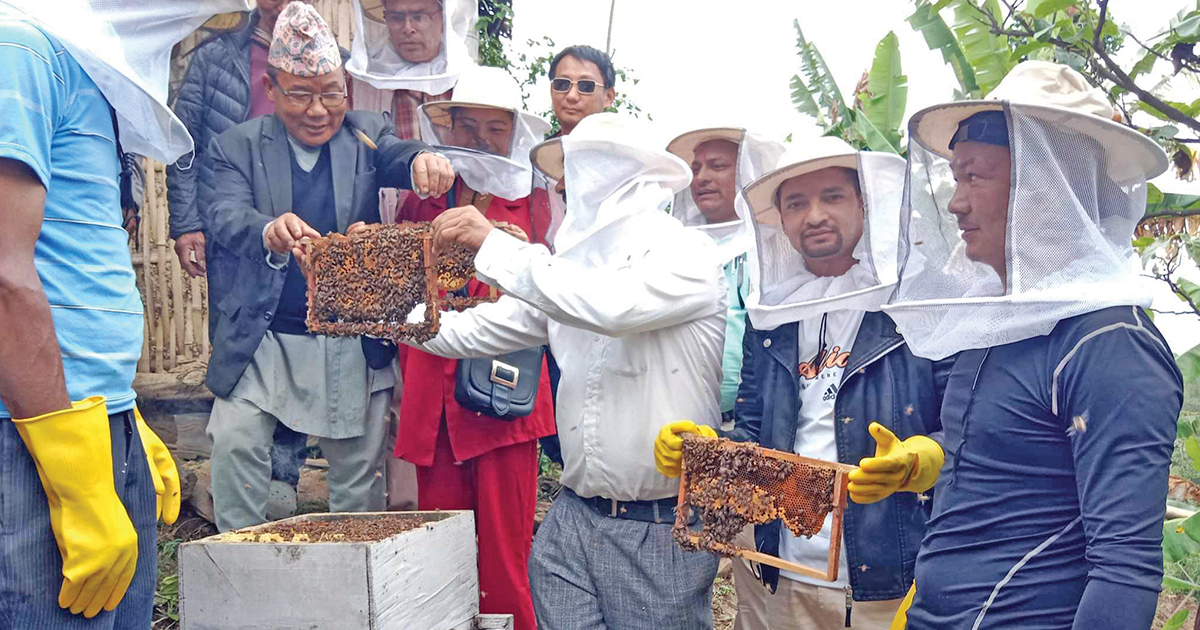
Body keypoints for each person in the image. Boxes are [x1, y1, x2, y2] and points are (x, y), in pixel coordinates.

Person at [884, 61, 1184, 629]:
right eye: (955, 176)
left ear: (1044, 187)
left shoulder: (1109, 344)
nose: (955, 202)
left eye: (974, 176)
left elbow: (1124, 569)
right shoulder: (1000, 320)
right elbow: (1003, 454)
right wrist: (925, 458)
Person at [407, 113, 727, 629]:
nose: (560, 186)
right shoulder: (568, 272)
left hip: (661, 524)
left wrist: (494, 245)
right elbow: (472, 332)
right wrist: (374, 310)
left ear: (615, 173)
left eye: (574, 171)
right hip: (573, 517)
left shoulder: (686, 253)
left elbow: (611, 307)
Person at [0, 0, 244, 626]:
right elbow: (3, 274)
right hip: (32, 437)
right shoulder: (21, 45)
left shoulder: (81, 66)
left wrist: (124, 414)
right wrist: (74, 478)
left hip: (91, 420)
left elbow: (71, 262)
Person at [656, 137, 946, 629]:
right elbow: (754, 432)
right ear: (781, 220)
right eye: (796, 203)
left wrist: (921, 459)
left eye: (832, 196)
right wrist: (708, 454)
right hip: (776, 567)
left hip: (885, 575)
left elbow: (967, 433)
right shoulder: (772, 316)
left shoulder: (919, 306)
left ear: (864, 203)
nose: (814, 215)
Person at [199, 2, 453, 533]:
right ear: (271, 90)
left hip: (348, 335)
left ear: (347, 90)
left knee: (358, 470)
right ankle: (240, 563)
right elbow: (224, 215)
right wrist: (267, 230)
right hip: (264, 335)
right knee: (237, 441)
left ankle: (353, 583)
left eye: (331, 93)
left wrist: (420, 161)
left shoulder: (364, 131)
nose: (319, 110)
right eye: (301, 94)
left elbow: (396, 151)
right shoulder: (235, 146)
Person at [377, 65, 555, 630]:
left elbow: (561, 293)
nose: (479, 138)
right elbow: (396, 285)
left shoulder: (538, 203)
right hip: (433, 403)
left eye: (494, 128)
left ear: (514, 134)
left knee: (505, 562)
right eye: (466, 124)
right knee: (441, 560)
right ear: (447, 128)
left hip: (505, 404)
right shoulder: (420, 201)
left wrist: (518, 255)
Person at [168, 0, 319, 522]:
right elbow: (182, 142)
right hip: (233, 228)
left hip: (302, 230)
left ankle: (284, 477)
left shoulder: (329, 60)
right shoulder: (217, 59)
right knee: (238, 341)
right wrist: (186, 222)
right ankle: (239, 476)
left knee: (300, 340)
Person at [347, 0, 473, 141]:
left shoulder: (470, 83)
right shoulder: (360, 80)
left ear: (443, 19)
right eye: (396, 17)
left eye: (419, 17)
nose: (407, 28)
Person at [548, 45, 616, 136]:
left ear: (608, 97)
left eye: (586, 86)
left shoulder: (623, 149)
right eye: (562, 84)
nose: (571, 96)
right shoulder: (540, 149)